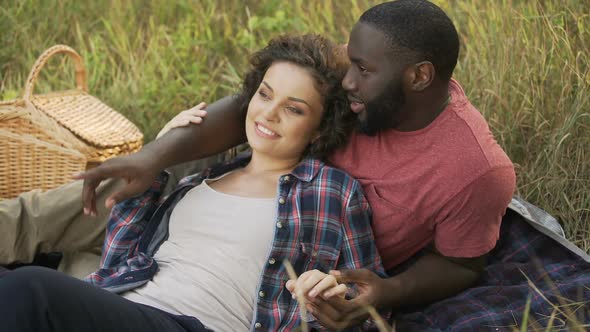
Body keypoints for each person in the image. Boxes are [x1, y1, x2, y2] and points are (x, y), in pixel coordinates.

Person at [76, 0, 516, 329]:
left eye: (361, 69)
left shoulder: (476, 171)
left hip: (271, 239)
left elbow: (462, 264)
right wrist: (156, 154)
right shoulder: (369, 63)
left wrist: (389, 290)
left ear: (419, 76)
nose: (346, 81)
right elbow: (262, 102)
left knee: (42, 284)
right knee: (106, 188)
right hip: (240, 169)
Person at [0, 34, 385, 332]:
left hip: (195, 322)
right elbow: (121, 249)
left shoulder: (332, 190)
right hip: (128, 307)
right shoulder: (204, 176)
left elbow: (372, 300)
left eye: (293, 109)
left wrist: (334, 294)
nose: (268, 114)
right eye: (264, 95)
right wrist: (163, 150)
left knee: (30, 289)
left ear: (319, 129)